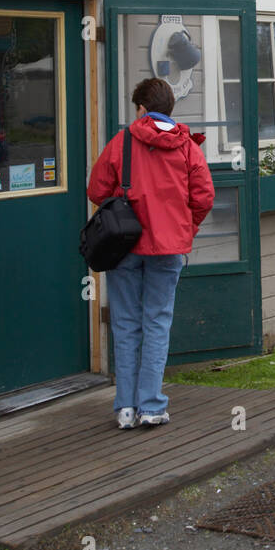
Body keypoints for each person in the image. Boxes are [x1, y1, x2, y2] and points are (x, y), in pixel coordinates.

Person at [87, 77, 215, 429]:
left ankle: (125, 408)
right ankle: (152, 405)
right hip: (169, 246)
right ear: (170, 108)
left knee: (126, 323)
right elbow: (203, 197)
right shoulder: (187, 146)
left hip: (125, 246)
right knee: (157, 322)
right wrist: (184, 227)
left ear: (142, 108)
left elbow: (96, 190)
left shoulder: (122, 141)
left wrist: (125, 198)